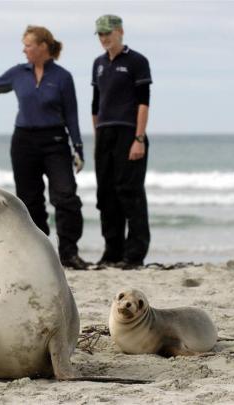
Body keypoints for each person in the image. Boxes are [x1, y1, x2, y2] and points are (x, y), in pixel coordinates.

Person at [0, 25, 90, 270]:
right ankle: (40, 254)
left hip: (56, 141)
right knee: (30, 200)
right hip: (24, 142)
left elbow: (72, 114)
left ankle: (69, 253)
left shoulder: (62, 77)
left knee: (66, 197)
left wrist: (78, 147)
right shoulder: (19, 73)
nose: (24, 49)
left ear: (43, 47)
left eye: (28, 45)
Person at [91, 15, 152, 270]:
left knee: (130, 193)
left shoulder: (137, 61)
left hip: (129, 133)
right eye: (101, 34)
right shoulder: (98, 63)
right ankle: (112, 252)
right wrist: (96, 136)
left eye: (108, 33)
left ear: (120, 32)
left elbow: (143, 102)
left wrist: (139, 138)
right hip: (104, 134)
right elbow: (95, 103)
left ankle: (134, 254)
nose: (104, 38)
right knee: (106, 195)